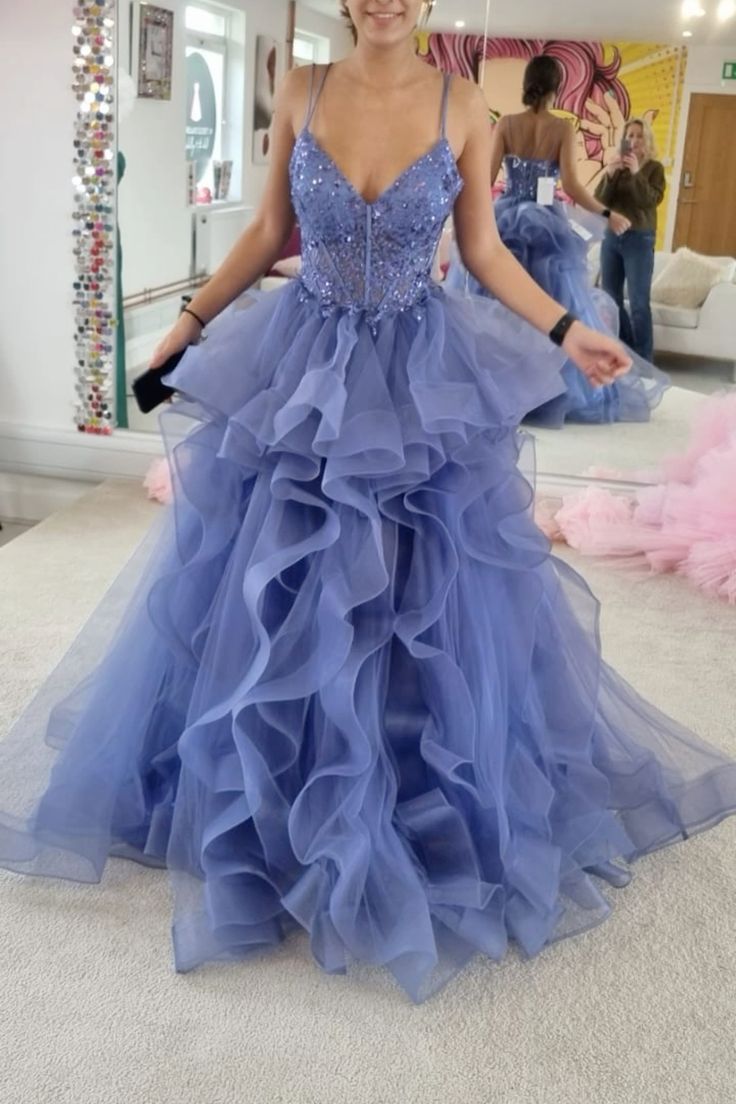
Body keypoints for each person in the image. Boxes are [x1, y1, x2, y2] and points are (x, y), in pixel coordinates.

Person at [1, 0, 734, 1006]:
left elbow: (483, 253)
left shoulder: (462, 105)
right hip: (305, 365)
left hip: (416, 374)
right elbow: (269, 231)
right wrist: (189, 320)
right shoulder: (302, 89)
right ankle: (276, 791)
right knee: (277, 574)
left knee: (416, 586)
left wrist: (567, 331)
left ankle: (396, 788)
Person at [446, 55, 669, 426]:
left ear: (527, 84)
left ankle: (494, 388)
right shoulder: (561, 128)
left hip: (506, 219)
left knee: (500, 304)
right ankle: (547, 392)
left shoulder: (508, 123)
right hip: (549, 226)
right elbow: (573, 187)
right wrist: (607, 214)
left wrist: (460, 216)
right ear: (557, 88)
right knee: (556, 307)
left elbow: (483, 180)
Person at [595, 117, 666, 362]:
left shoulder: (654, 169)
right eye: (630, 136)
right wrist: (609, 174)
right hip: (612, 238)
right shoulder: (617, 165)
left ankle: (644, 358)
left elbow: (649, 201)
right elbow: (599, 202)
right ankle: (626, 350)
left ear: (647, 140)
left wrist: (636, 172)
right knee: (610, 298)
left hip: (639, 240)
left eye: (639, 136)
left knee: (638, 302)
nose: (634, 141)